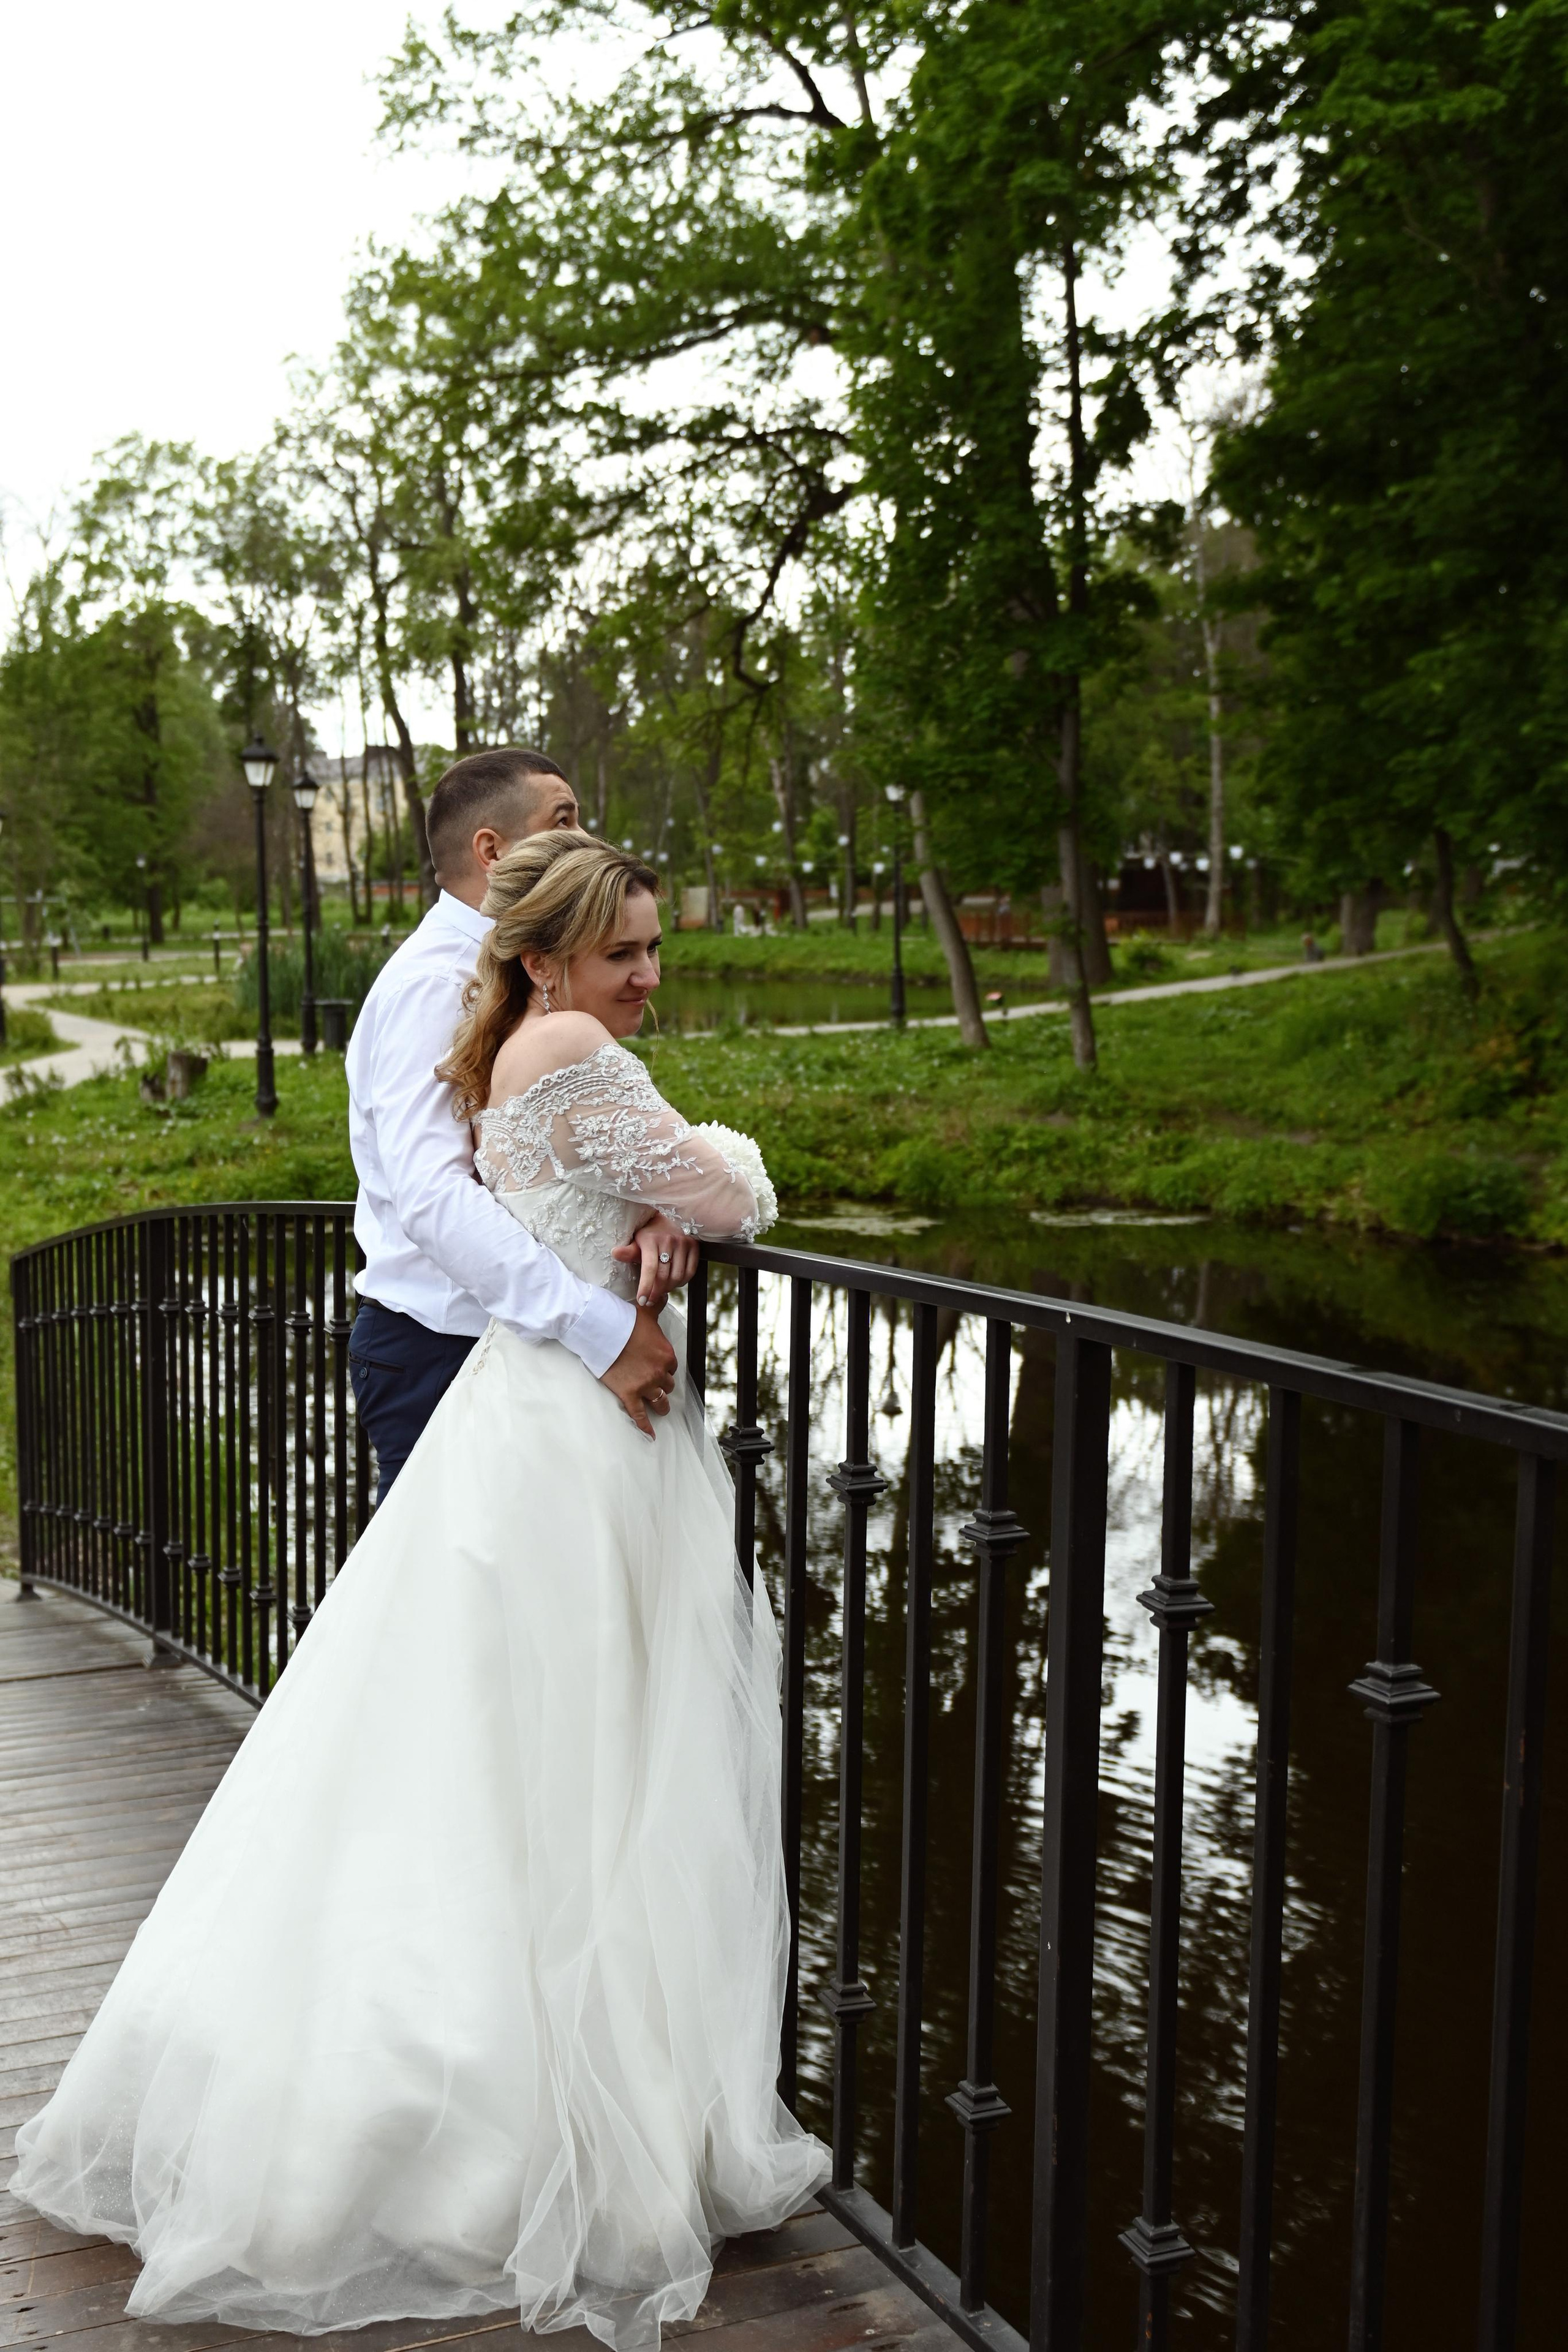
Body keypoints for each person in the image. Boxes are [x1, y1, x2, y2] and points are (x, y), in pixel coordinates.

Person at [13, 833, 827, 2348]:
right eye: (622, 952)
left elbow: (644, 1191)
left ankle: (458, 2089)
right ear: (546, 959)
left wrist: (653, 1209)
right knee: (588, 1761)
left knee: (471, 1760)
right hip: (579, 1440)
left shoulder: (516, 1047)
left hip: (517, 1417)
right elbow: (731, 1189)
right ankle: (541, 2124)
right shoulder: (575, 1049)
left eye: (655, 948)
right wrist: (699, 1191)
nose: (647, 977)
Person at [347, 745, 693, 1496]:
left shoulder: (522, 971)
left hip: (520, 1342)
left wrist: (648, 1211)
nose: (587, 842)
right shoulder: (436, 984)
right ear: (492, 849)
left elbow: (535, 1154)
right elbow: (435, 1196)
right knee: (452, 1608)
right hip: (444, 1347)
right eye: (563, 820)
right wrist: (599, 1331)